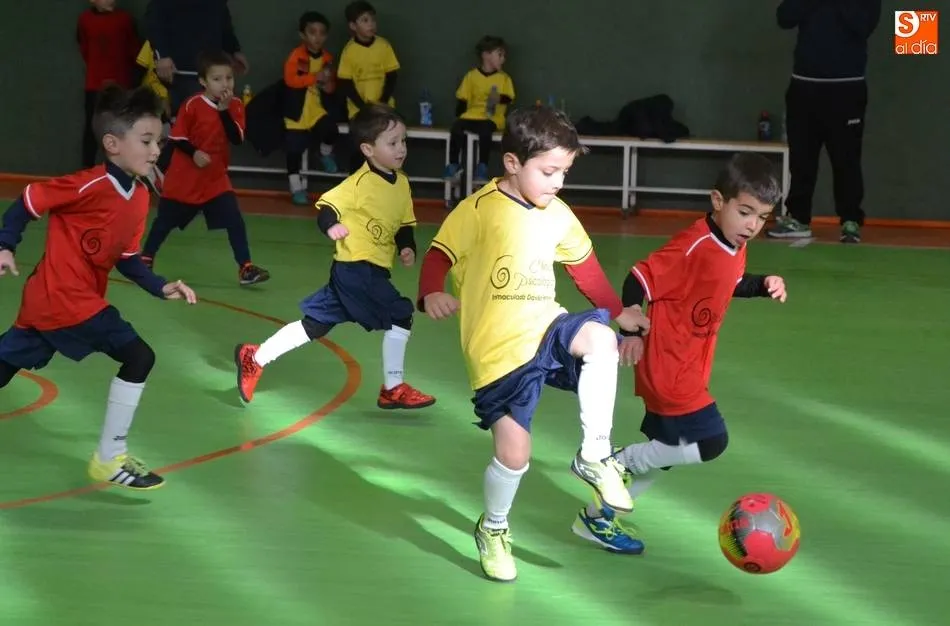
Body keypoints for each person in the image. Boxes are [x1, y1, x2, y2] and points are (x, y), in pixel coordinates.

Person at [417, 105, 650, 582]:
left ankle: (595, 455)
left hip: (546, 326)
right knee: (515, 456)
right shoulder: (479, 210)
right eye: (548, 171)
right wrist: (430, 293)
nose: (558, 182)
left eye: (565, 172)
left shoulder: (557, 214)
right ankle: (493, 528)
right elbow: (439, 254)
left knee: (600, 339)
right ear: (512, 163)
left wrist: (618, 312)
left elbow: (584, 268)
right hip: (497, 354)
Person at [575, 153, 787, 554]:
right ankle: (614, 463)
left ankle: (596, 518)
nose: (752, 225)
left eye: (762, 217)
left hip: (690, 364)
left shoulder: (733, 243)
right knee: (711, 441)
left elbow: (730, 282)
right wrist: (630, 327)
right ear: (718, 201)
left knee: (665, 453)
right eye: (745, 212)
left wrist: (762, 285)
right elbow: (639, 278)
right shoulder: (694, 245)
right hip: (670, 367)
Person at [0, 85, 197, 490]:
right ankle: (109, 458)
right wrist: (5, 244)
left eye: (159, 142)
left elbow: (127, 257)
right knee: (139, 357)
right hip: (64, 299)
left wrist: (159, 287)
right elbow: (29, 200)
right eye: (146, 141)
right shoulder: (88, 184)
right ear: (112, 144)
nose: (156, 151)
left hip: (52, 304)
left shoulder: (139, 196)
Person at [234, 104, 435, 411]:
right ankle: (393, 388)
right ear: (368, 149)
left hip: (371, 270)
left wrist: (407, 246)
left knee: (315, 325)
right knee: (401, 313)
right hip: (356, 268)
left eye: (403, 141)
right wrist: (331, 226)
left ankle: (255, 357)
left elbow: (404, 224)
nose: (401, 149)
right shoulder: (358, 183)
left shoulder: (402, 183)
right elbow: (327, 208)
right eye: (393, 143)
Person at [140, 51, 269, 286]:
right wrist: (194, 153)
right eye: (217, 79)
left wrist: (224, 111)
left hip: (215, 179)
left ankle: (246, 267)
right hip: (185, 179)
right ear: (203, 81)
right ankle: (146, 257)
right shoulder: (192, 105)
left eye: (229, 78)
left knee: (234, 219)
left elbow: (236, 138)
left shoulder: (235, 105)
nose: (224, 84)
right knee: (165, 221)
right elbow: (178, 137)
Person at [766, 0, 881, 244]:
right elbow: (784, 17)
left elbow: (863, 26)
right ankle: (798, 218)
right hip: (803, 86)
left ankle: (850, 221)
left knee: (846, 160)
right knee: (801, 160)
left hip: (847, 89)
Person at [283, 11, 341, 205]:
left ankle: (325, 153)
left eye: (322, 33)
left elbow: (331, 85)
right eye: (312, 32)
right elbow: (291, 80)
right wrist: (315, 78)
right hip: (297, 110)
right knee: (293, 150)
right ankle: (296, 188)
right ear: (303, 35)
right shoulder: (297, 56)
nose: (317, 37)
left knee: (330, 130)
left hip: (316, 108)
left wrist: (328, 85)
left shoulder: (327, 58)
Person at [336, 1, 399, 172]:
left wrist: (382, 103)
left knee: (386, 147)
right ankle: (357, 183)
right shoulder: (349, 51)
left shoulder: (384, 46)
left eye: (373, 20)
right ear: (353, 26)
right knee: (359, 148)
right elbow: (346, 83)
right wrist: (364, 107)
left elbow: (392, 76)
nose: (371, 24)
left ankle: (385, 182)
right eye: (365, 20)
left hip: (384, 109)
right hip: (359, 111)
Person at [444, 36, 515, 184]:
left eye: (504, 56)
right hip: (471, 116)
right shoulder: (471, 76)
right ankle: (454, 165)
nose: (503, 59)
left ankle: (482, 167)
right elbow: (462, 99)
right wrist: (459, 114)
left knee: (485, 130)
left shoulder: (504, 78)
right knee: (457, 127)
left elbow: (509, 98)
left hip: (492, 119)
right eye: (499, 55)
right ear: (485, 55)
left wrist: (497, 98)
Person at [77, 0, 139, 167]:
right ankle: (86, 170)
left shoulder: (125, 19)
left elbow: (133, 51)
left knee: (120, 129)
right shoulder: (85, 20)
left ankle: (118, 170)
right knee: (92, 129)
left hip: (121, 84)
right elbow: (85, 49)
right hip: (94, 84)